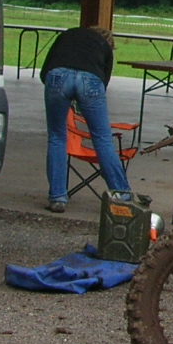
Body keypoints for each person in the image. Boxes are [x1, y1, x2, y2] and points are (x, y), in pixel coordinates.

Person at [40, 25, 134, 213]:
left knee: (57, 137)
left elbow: (45, 70)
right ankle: (121, 195)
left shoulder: (68, 34)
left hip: (57, 76)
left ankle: (58, 197)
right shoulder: (104, 47)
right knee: (102, 139)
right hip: (90, 80)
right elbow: (103, 82)